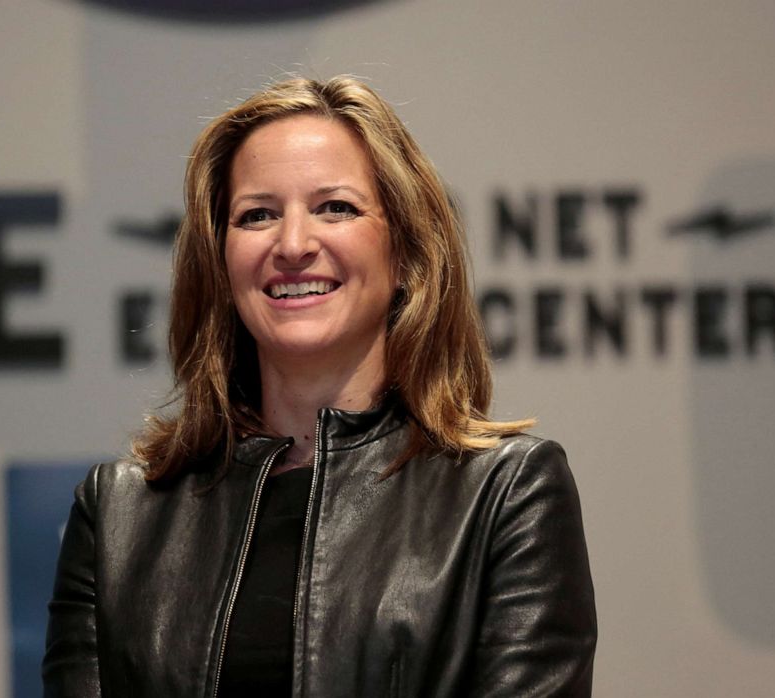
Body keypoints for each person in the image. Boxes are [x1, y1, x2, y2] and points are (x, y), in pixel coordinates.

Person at [43, 75, 597, 697]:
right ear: (219, 264)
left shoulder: (506, 494)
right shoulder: (119, 516)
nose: (294, 245)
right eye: (258, 215)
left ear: (408, 254)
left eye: (336, 207)